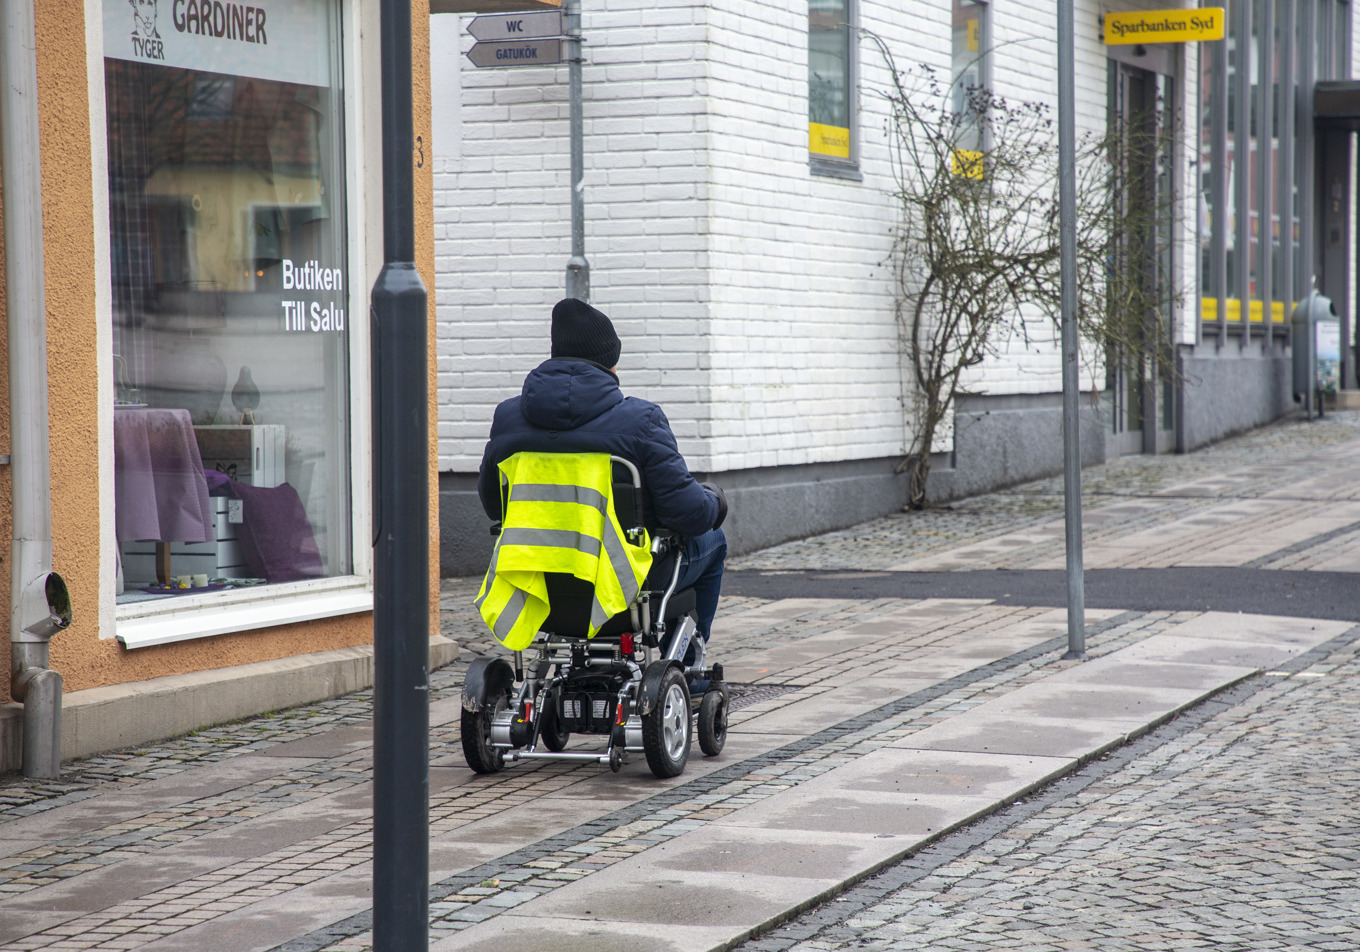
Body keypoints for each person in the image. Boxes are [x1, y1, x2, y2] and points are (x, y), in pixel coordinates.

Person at [478, 297, 728, 664]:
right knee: (713, 541)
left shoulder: (508, 419)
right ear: (610, 361)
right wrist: (714, 500)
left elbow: (494, 505)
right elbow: (688, 514)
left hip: (536, 578)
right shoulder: (641, 420)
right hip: (622, 580)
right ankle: (689, 665)